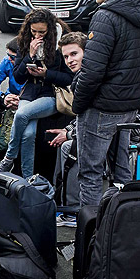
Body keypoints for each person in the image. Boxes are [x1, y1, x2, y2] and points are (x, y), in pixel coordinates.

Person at [72, 0, 140, 205]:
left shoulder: (105, 16)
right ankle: (122, 228)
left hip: (103, 108)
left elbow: (92, 72)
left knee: (91, 173)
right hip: (129, 105)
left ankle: (92, 235)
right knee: (122, 171)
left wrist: (77, 104)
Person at [0, 9, 74, 179]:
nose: (38, 35)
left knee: (22, 114)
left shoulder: (59, 44)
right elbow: (17, 76)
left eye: (42, 32)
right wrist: (29, 56)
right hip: (30, 92)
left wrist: (46, 74)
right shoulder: (25, 41)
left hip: (51, 93)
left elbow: (69, 77)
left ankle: (9, 158)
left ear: (50, 30)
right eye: (34, 31)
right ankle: (28, 178)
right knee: (28, 134)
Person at [46, 32, 86, 227]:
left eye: (74, 54)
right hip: (96, 127)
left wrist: (69, 133)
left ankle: (72, 211)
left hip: (122, 129)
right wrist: (67, 130)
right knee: (62, 141)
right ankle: (60, 203)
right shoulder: (80, 76)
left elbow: (93, 120)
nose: (70, 60)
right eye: (66, 56)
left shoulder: (88, 77)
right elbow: (83, 117)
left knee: (69, 147)